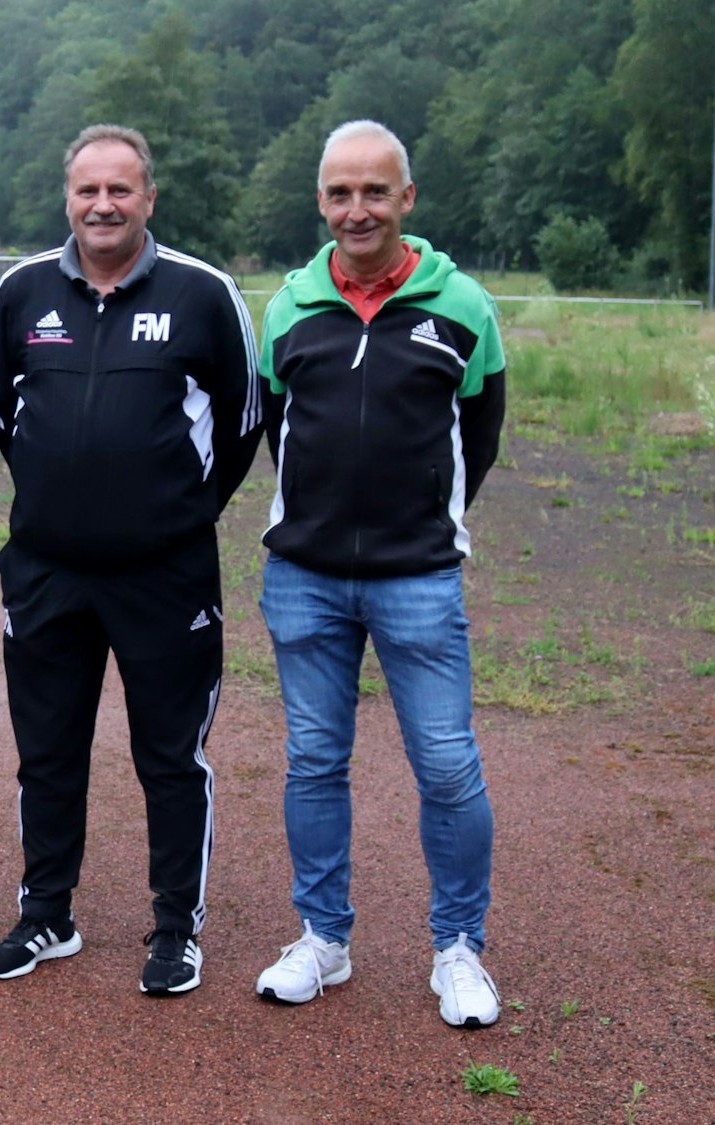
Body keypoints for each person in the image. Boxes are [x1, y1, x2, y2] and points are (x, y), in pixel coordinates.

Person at [0, 124, 262, 995]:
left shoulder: (204, 293)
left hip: (165, 576)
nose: (103, 205)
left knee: (170, 758)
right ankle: (46, 914)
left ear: (149, 198)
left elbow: (243, 423)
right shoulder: (21, 291)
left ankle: (176, 927)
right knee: (47, 753)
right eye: (88, 190)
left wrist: (171, 510)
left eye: (120, 190)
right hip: (47, 571)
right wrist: (62, 494)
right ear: (68, 197)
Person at [249, 120, 508, 1027]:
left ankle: (458, 948)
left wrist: (419, 519)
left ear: (406, 198)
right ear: (321, 201)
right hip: (304, 578)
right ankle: (324, 938)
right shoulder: (287, 309)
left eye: (374, 191)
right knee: (314, 761)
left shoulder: (464, 306)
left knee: (447, 765)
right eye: (340, 193)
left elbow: (478, 437)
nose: (357, 209)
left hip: (418, 579)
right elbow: (280, 430)